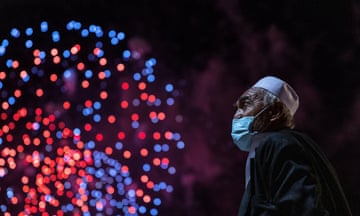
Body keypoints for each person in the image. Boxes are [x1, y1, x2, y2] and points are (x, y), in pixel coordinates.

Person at [231, 76, 352, 215]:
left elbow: (303, 209)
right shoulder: (286, 144)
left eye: (245, 105)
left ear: (274, 113)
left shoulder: (277, 144)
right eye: (237, 108)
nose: (237, 115)